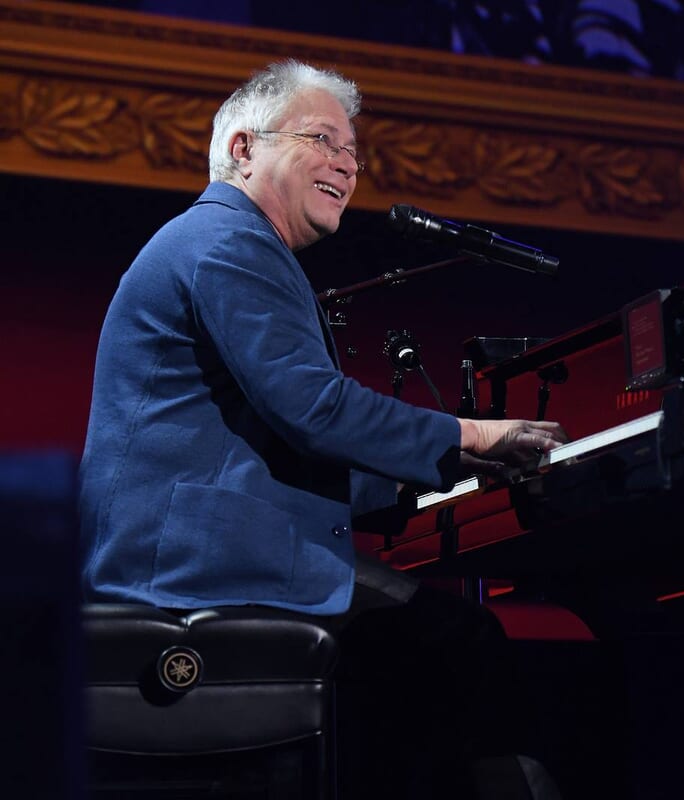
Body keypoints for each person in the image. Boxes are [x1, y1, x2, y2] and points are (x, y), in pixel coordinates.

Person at [78, 60, 567, 798]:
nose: (346, 164)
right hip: (193, 564)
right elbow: (313, 407)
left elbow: (264, 441)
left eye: (353, 153)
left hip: (197, 548)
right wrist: (472, 435)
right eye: (322, 140)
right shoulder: (231, 241)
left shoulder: (215, 240)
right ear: (244, 149)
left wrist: (426, 477)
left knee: (422, 669)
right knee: (461, 642)